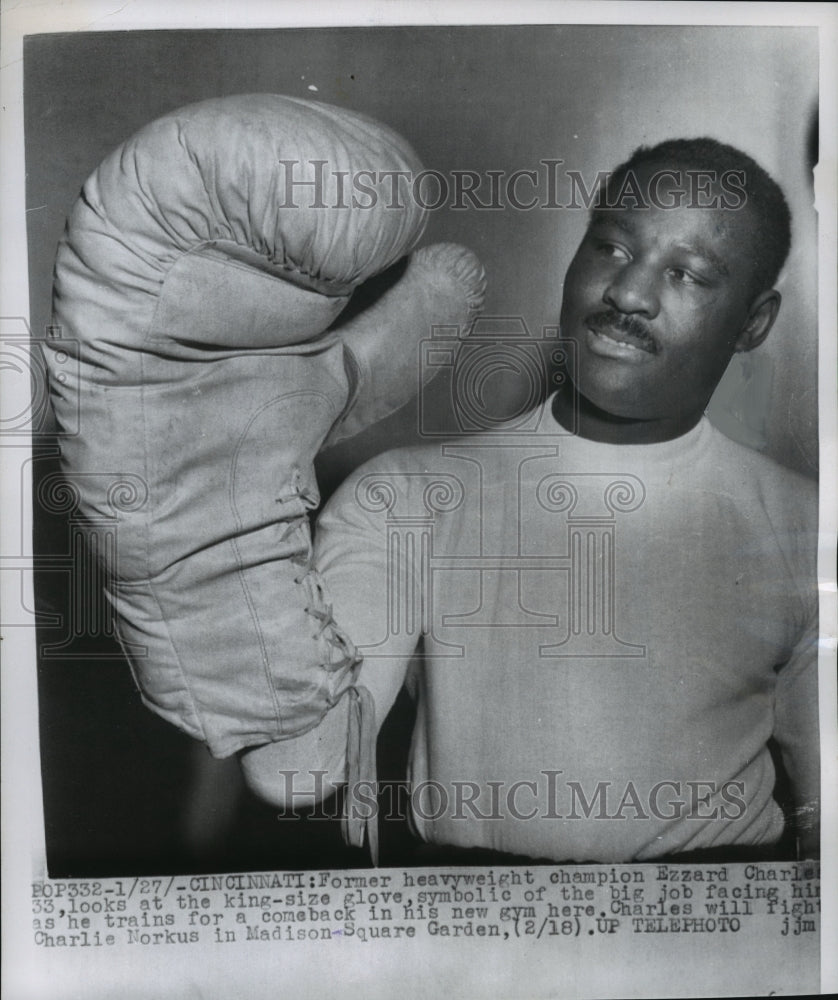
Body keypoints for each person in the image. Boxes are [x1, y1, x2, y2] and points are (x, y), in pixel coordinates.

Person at [241, 137, 821, 865]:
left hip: (722, 938)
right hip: (480, 941)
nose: (630, 294)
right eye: (611, 249)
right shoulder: (408, 497)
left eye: (687, 274)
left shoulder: (807, 526)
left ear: (753, 323)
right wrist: (240, 496)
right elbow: (290, 770)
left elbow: (822, 814)